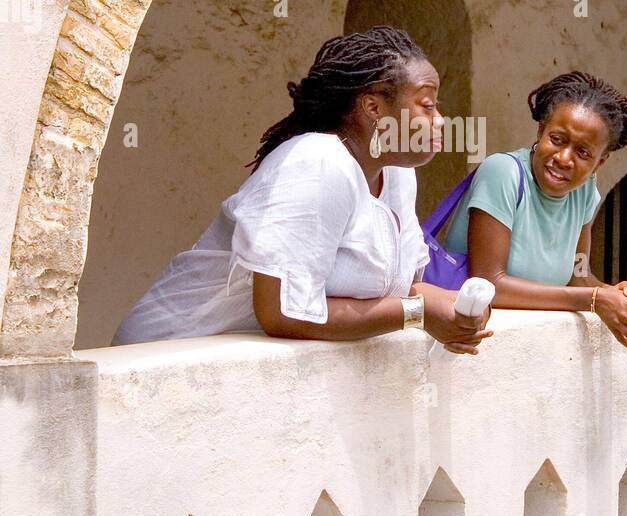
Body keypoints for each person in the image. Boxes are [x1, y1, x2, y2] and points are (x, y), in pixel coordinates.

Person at [112, 27, 493, 355]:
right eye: (425, 105)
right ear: (373, 107)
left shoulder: (395, 175)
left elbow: (397, 288)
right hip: (170, 360)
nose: (439, 120)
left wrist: (453, 309)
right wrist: (418, 313)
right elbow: (283, 312)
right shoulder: (317, 164)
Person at [444, 70, 627, 354]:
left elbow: (578, 275)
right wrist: (594, 299)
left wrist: (612, 293)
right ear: (541, 131)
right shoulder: (503, 173)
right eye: (557, 139)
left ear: (600, 162)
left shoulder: (584, 190)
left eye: (583, 153)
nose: (563, 158)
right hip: (471, 346)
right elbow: (491, 282)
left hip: (533, 350)